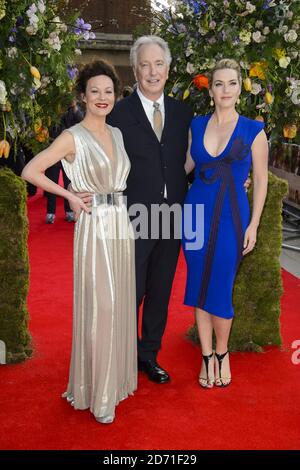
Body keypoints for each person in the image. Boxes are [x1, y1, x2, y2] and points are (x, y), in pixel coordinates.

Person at [70, 36, 194, 384]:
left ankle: (148, 355)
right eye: (144, 64)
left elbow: (193, 159)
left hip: (172, 218)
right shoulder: (118, 114)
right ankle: (122, 355)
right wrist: (73, 189)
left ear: (168, 70)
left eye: (159, 64)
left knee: (160, 290)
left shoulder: (184, 113)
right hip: (130, 219)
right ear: (135, 70)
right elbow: (87, 147)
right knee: (129, 291)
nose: (152, 72)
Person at [22, 60, 137, 423]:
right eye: (95, 92)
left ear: (115, 95)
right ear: (83, 96)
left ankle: (115, 383)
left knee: (119, 306)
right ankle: (98, 395)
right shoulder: (72, 137)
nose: (102, 98)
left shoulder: (117, 134)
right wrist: (68, 195)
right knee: (102, 307)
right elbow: (31, 170)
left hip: (120, 224)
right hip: (96, 228)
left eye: (108, 91)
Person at [182, 59, 268, 388]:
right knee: (198, 283)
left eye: (232, 83)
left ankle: (222, 353)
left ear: (240, 88)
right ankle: (206, 357)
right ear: (211, 90)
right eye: (219, 84)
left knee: (220, 284)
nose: (226, 90)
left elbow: (260, 180)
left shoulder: (253, 130)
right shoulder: (197, 125)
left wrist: (254, 224)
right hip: (195, 214)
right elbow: (184, 165)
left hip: (233, 216)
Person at [45, 101, 85, 224]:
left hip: (69, 152)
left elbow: (81, 121)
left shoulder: (73, 109)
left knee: (69, 183)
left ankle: (69, 211)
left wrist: (74, 108)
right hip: (53, 151)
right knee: (52, 183)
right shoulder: (49, 109)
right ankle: (50, 212)